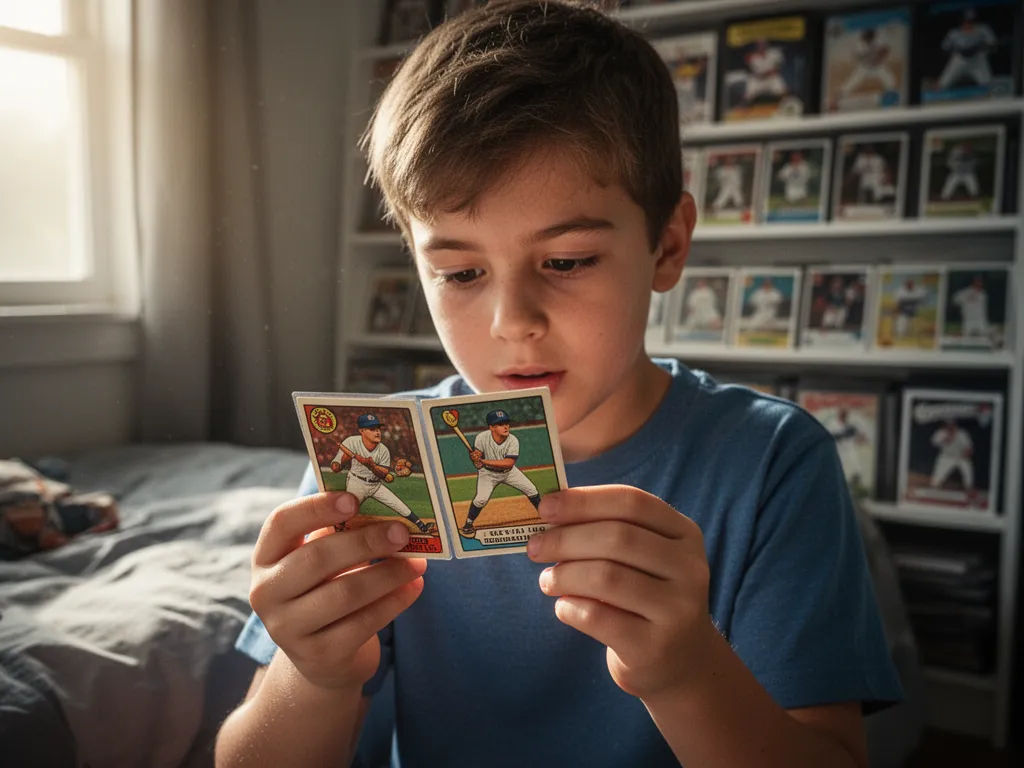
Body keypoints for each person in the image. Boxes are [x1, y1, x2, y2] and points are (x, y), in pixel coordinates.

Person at [216, 3, 901, 766]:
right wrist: (311, 676)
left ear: (668, 244)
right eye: (460, 273)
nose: (514, 321)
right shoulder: (378, 461)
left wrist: (685, 672)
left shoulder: (772, 461)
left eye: (568, 261)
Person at [330, 413, 436, 537]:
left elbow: (384, 474)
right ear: (362, 431)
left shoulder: (383, 450)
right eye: (372, 429)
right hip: (356, 483)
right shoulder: (351, 442)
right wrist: (342, 461)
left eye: (378, 429)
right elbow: (335, 467)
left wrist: (372, 466)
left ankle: (422, 526)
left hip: (375, 484)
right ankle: (337, 531)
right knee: (348, 510)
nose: (377, 432)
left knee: (398, 504)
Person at [462, 409, 542, 537]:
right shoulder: (481, 437)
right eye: (500, 424)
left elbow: (509, 463)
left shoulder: (513, 440)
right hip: (488, 474)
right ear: (492, 427)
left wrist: (482, 460)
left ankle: (545, 515)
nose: (506, 426)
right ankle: (468, 524)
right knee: (481, 499)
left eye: (507, 423)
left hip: (509, 472)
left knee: (532, 490)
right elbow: (478, 463)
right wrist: (476, 458)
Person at [938, 8, 997, 90]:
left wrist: (980, 46)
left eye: (972, 21)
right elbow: (945, 48)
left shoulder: (983, 29)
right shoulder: (954, 33)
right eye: (966, 21)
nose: (969, 24)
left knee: (988, 85)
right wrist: (957, 50)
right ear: (962, 21)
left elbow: (992, 44)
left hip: (978, 59)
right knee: (943, 83)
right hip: (959, 59)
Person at [839, 27, 895, 98]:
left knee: (889, 79)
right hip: (864, 68)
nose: (868, 39)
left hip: (878, 67)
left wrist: (880, 58)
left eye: (870, 37)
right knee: (853, 80)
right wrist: (870, 57)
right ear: (864, 37)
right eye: (866, 37)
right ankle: (842, 94)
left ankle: (891, 93)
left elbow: (886, 49)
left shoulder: (878, 41)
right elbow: (858, 58)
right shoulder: (860, 45)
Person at [952, 274, 991, 339]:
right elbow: (955, 300)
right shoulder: (965, 292)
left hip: (981, 320)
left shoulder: (983, 294)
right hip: (968, 320)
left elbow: (984, 310)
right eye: (978, 281)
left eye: (981, 281)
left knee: (984, 337)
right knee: (966, 338)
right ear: (973, 282)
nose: (980, 283)